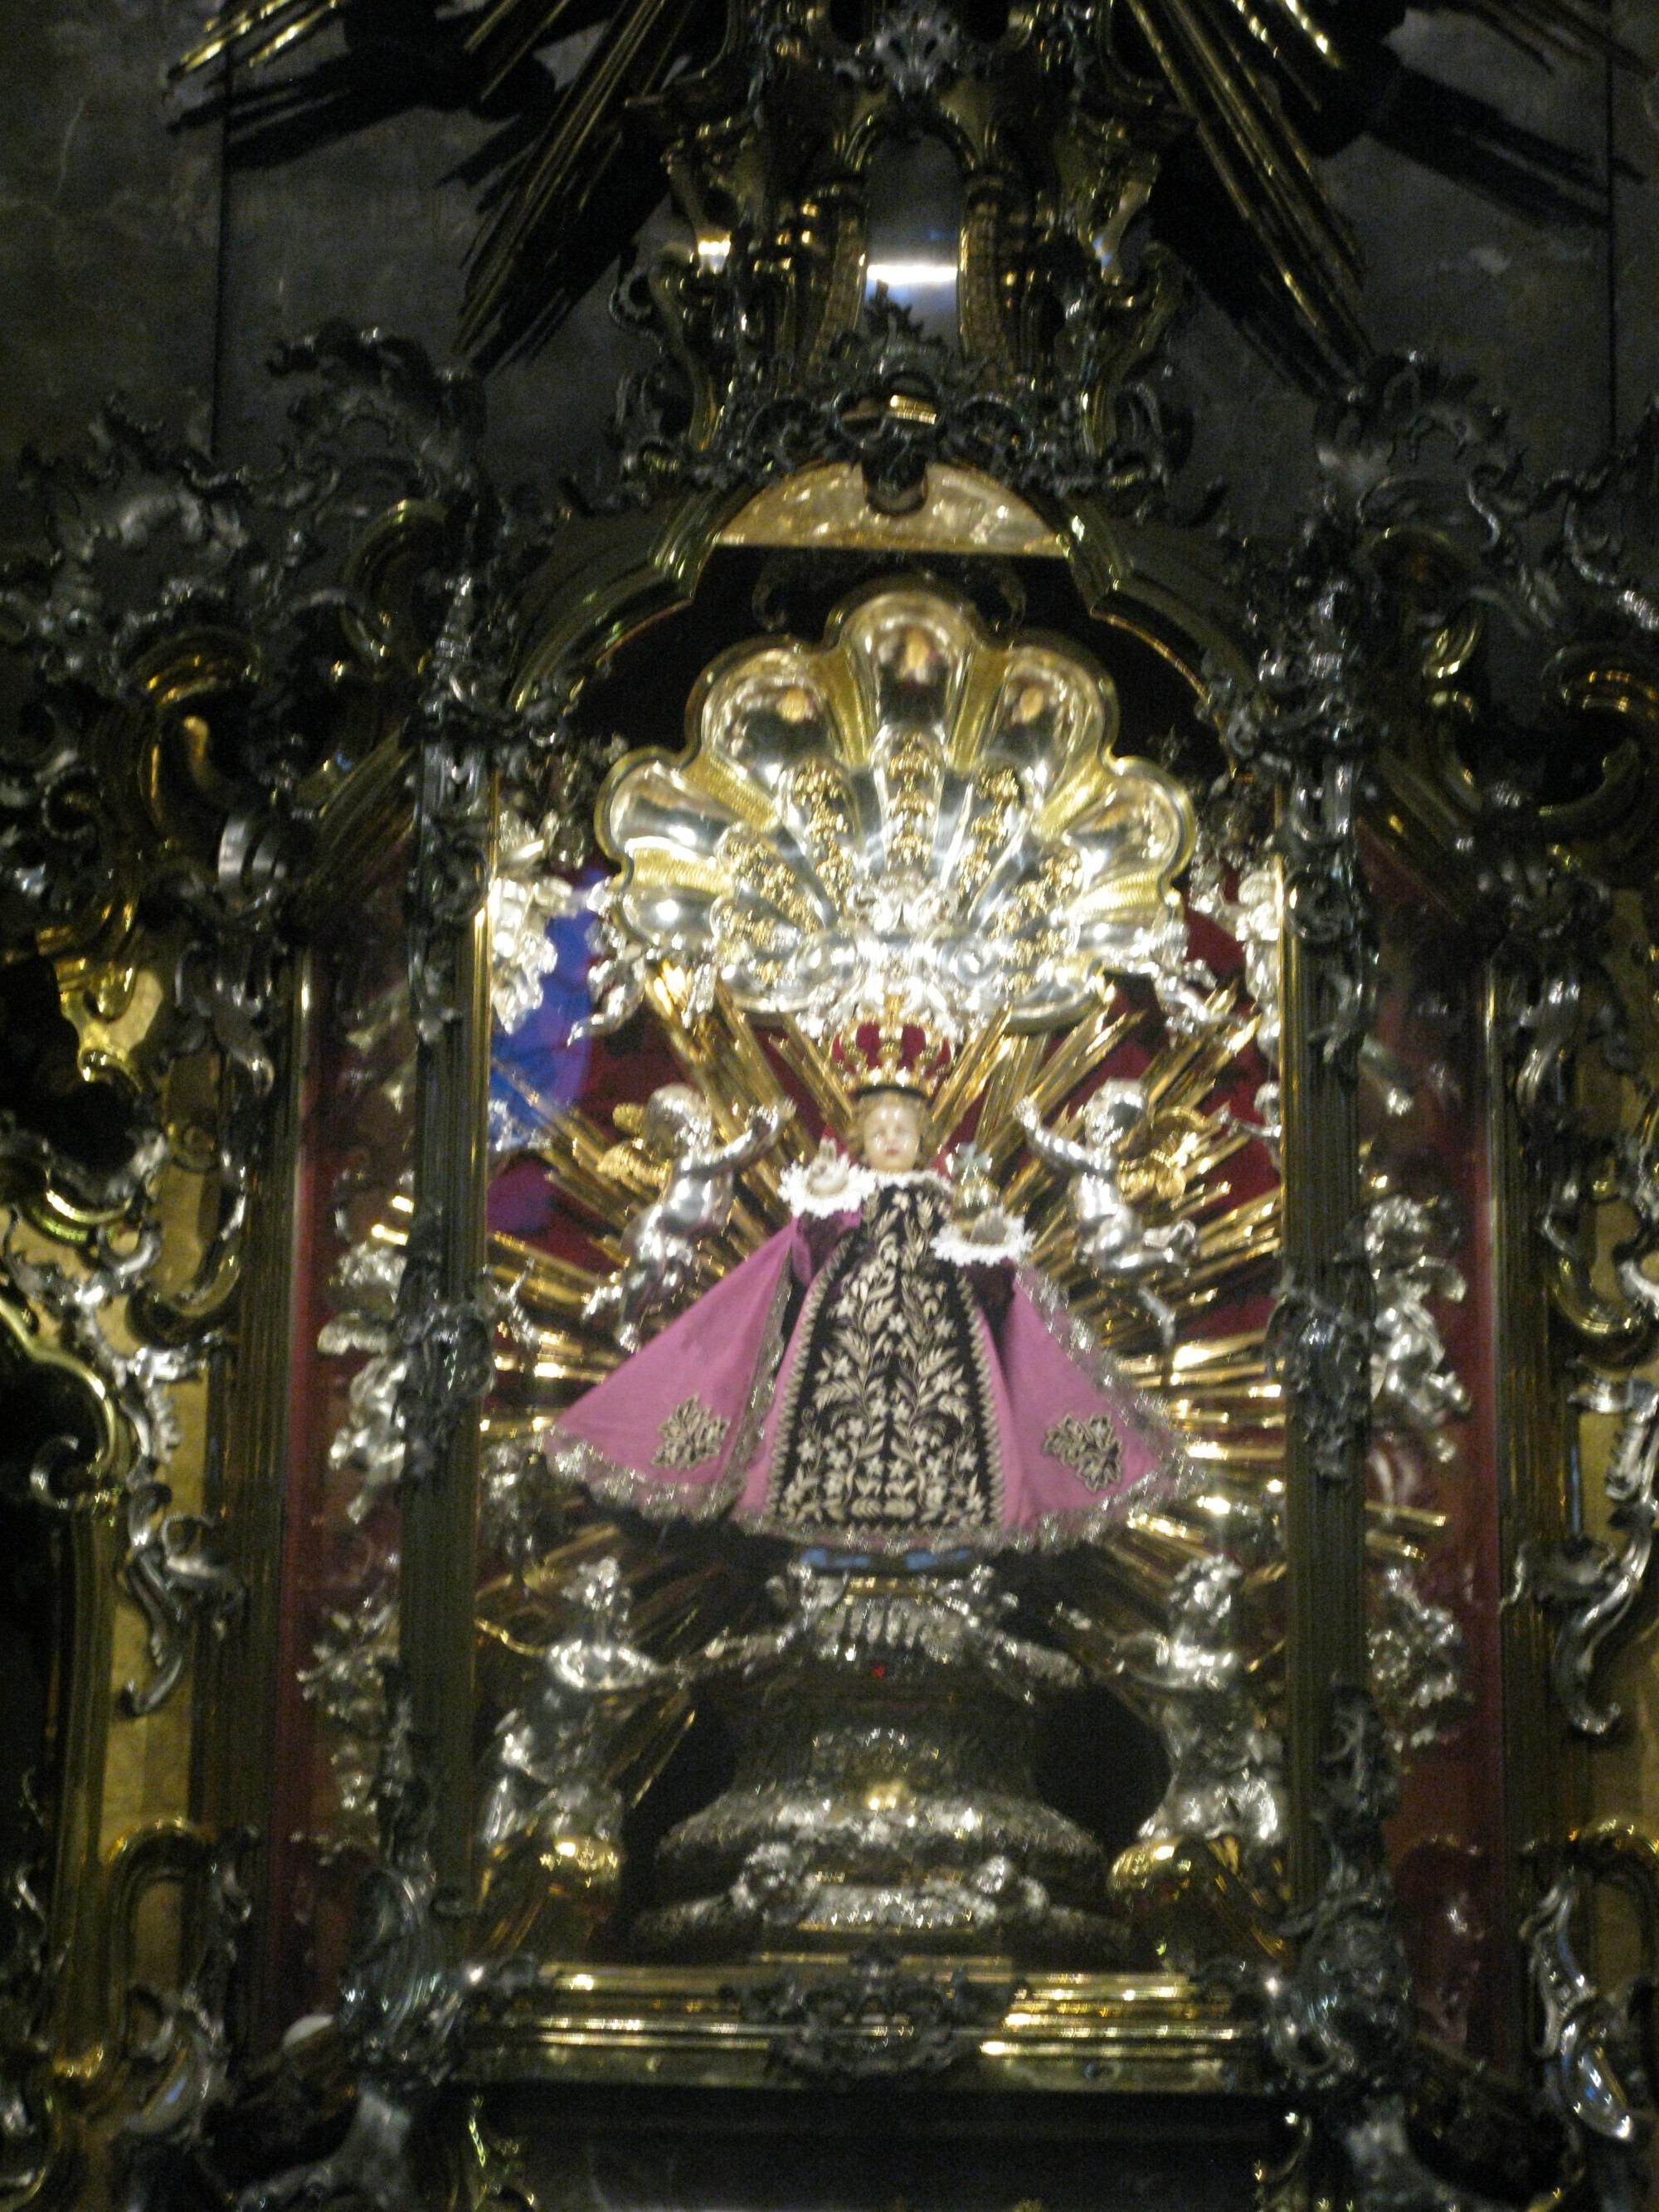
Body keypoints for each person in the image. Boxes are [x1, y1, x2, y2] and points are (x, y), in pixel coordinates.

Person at [546, 1023, 1185, 1551]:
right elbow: (805, 1261)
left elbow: (992, 1288)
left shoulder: (944, 1199)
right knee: (829, 1411)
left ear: (924, 1141)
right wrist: (822, 1209)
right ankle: (824, 1523)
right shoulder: (845, 1197)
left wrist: (983, 1240)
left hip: (939, 1343)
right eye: (878, 1132)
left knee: (947, 1420)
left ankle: (951, 1523)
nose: (890, 1142)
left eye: (903, 1133)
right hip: (845, 1336)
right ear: (859, 1141)